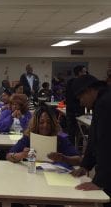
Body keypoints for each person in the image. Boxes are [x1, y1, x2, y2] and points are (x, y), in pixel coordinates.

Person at [6, 106, 81, 207]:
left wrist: (64, 158)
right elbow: (9, 155)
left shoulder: (60, 140)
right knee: (17, 198)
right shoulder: (28, 138)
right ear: (36, 123)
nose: (45, 126)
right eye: (41, 122)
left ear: (53, 124)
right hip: (31, 179)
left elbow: (79, 159)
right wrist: (22, 155)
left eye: (49, 122)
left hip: (54, 183)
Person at [71, 74, 111, 207]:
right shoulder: (101, 101)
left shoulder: (105, 104)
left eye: (80, 98)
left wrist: (99, 181)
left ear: (89, 91)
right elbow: (93, 138)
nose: (81, 102)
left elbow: (105, 144)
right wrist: (85, 166)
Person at [65, 65, 87, 144]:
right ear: (79, 73)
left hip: (72, 109)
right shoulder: (77, 83)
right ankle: (75, 149)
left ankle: (75, 148)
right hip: (75, 110)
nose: (85, 73)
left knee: (73, 131)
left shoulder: (70, 81)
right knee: (75, 131)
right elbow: (75, 97)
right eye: (84, 72)